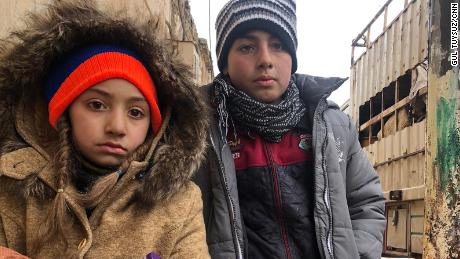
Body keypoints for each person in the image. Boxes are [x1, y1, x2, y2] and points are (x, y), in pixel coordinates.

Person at [0, 1, 210, 258]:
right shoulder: (11, 188)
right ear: (62, 111)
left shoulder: (180, 204)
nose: (117, 127)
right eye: (97, 105)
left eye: (136, 112)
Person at [193, 0, 386, 258]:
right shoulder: (197, 132)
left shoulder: (333, 126)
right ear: (225, 63)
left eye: (278, 46)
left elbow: (366, 203)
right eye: (247, 47)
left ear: (292, 60)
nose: (265, 60)